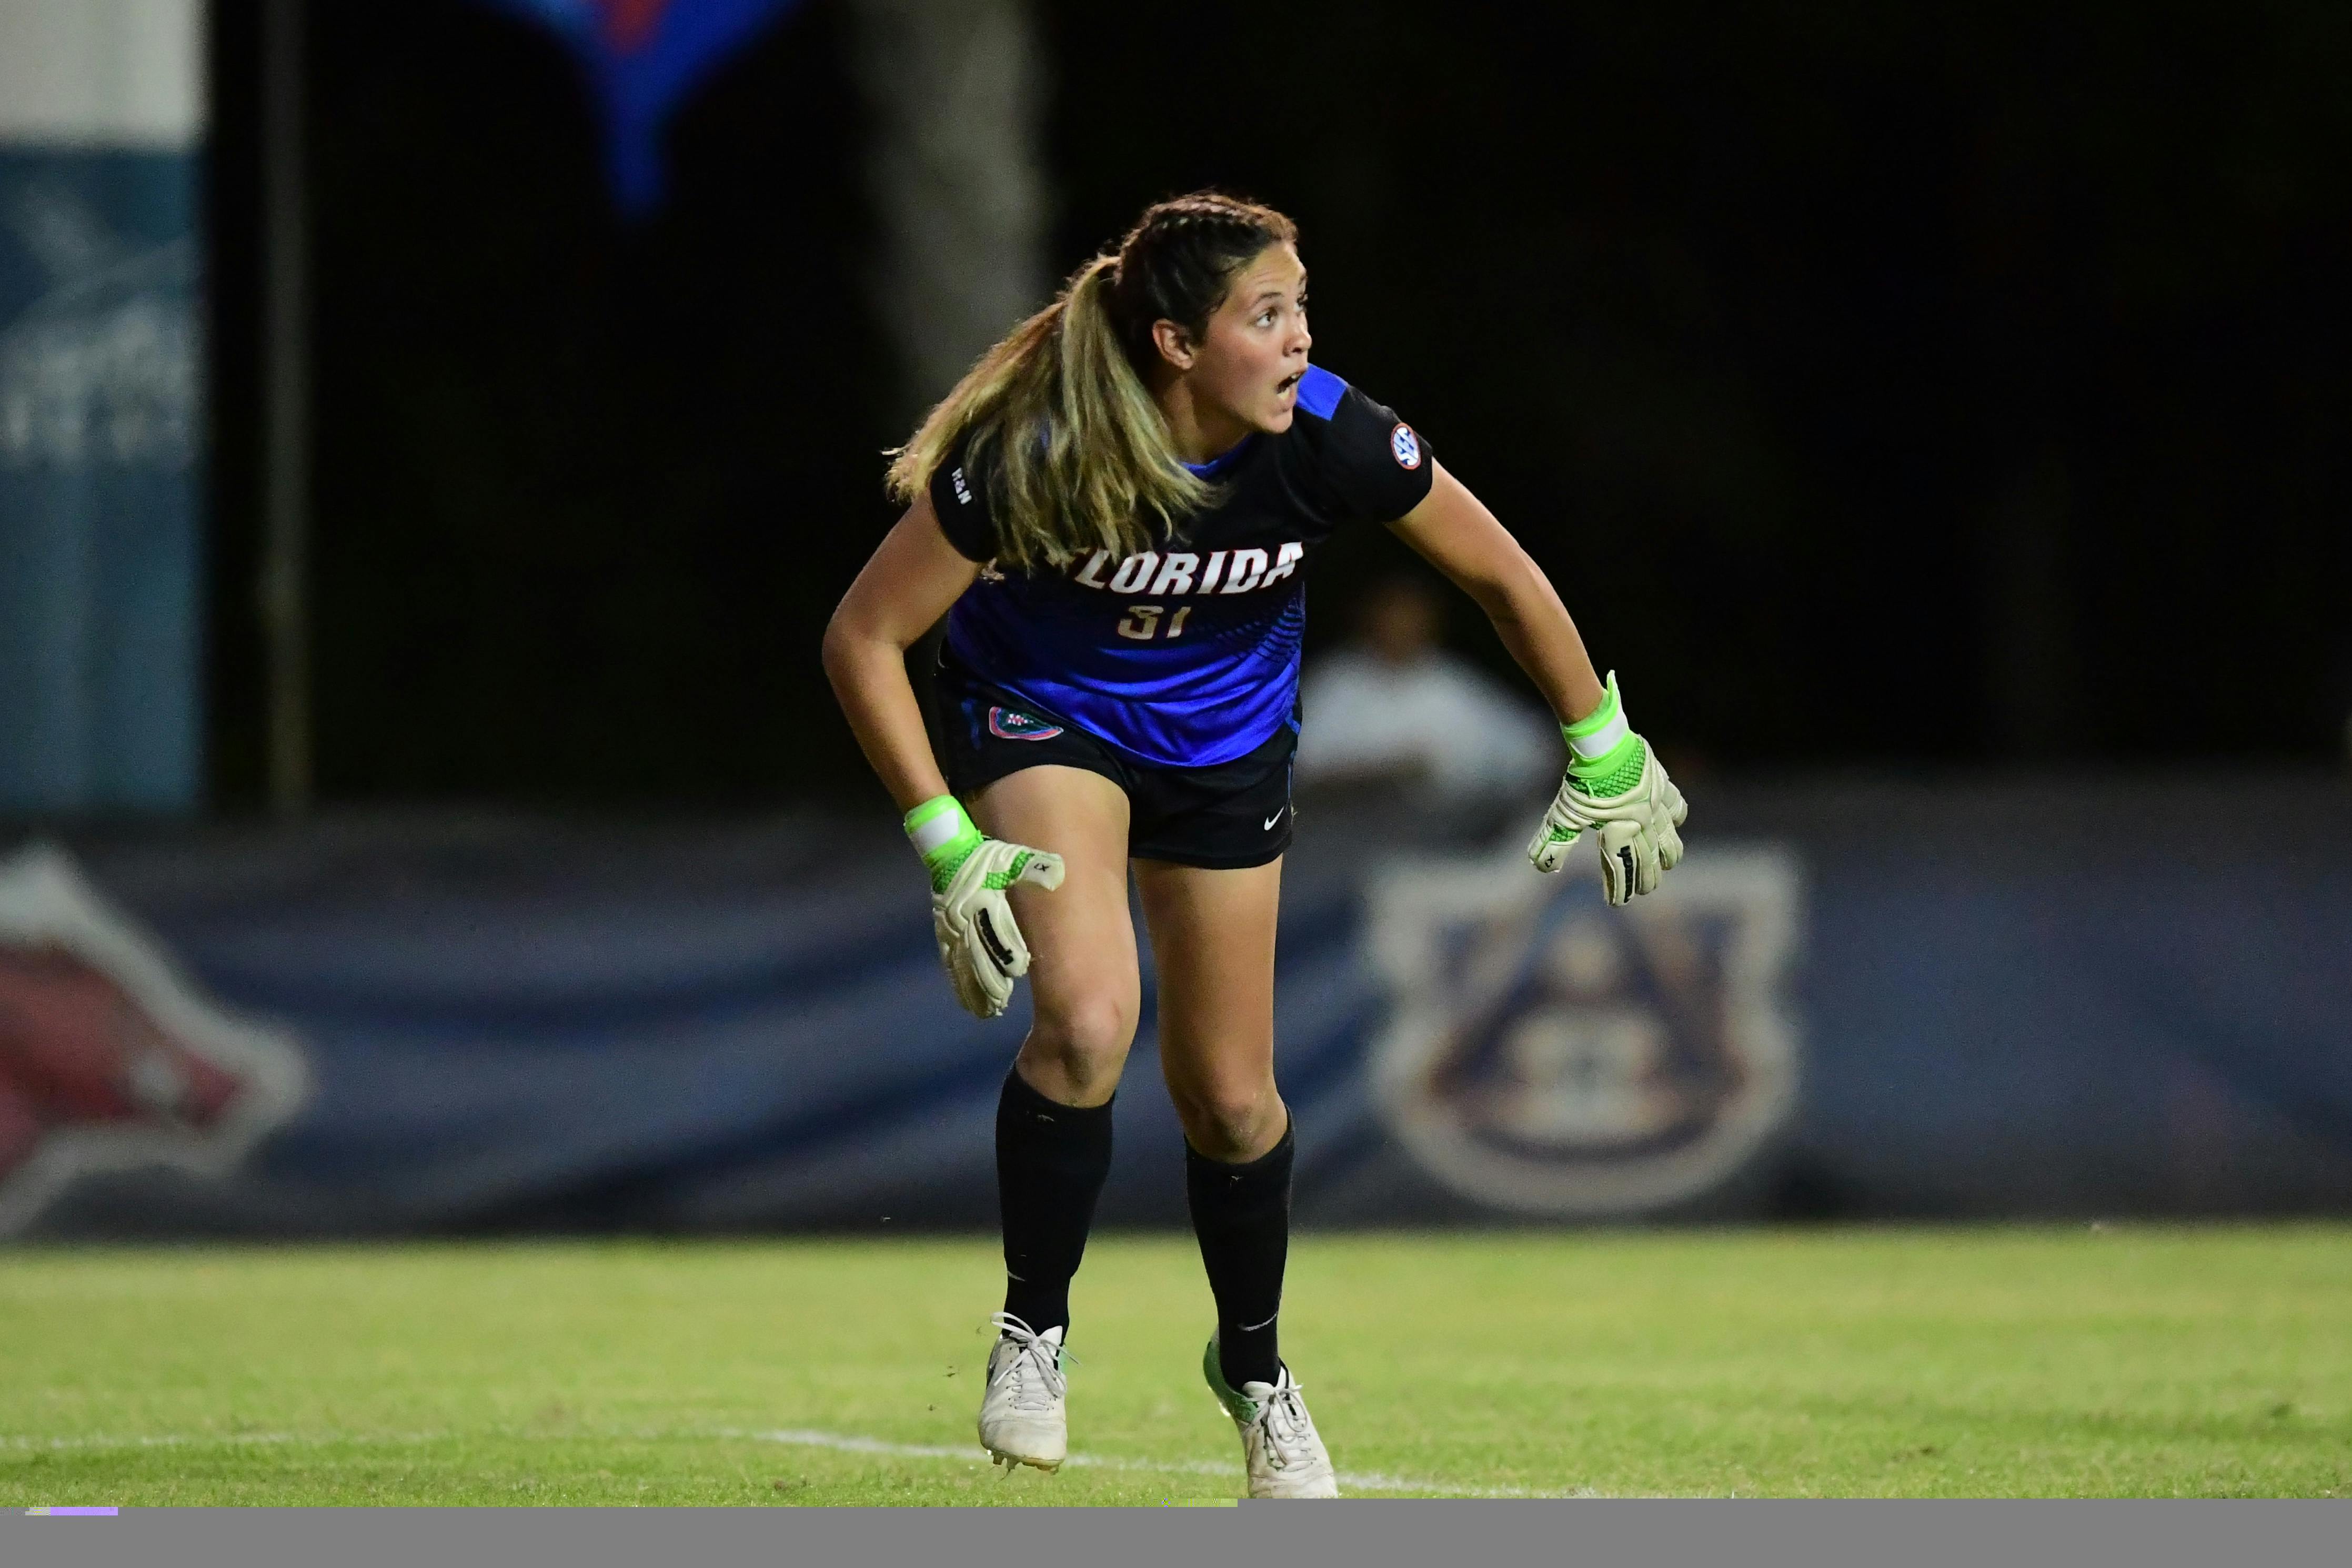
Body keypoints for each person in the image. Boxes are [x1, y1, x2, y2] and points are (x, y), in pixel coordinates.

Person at [822, 192, 1687, 1499]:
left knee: (1230, 1099)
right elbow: (863, 636)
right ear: (1176, 342)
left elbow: (1502, 574)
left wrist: (1601, 742)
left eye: (1299, 312)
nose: (1298, 343)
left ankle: (1255, 1370)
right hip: (1050, 719)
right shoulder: (1043, 448)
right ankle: (1033, 1329)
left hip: (1226, 752)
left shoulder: (1333, 435)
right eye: (1264, 316)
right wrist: (943, 832)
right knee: (1089, 1019)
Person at [1294, 574, 1557, 818]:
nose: (1401, 626)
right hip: (1343, 838)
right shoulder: (1336, 682)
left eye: (1412, 616)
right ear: (1370, 618)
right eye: (1393, 614)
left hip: (1444, 841)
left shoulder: (1453, 684)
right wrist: (1387, 772)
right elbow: (1298, 768)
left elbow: (1534, 749)